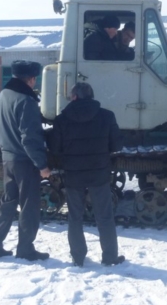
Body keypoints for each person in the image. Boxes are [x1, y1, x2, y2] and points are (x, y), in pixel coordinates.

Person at [48, 82, 125, 267]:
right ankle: (110, 257)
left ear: (74, 97)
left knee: (75, 217)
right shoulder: (107, 116)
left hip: (74, 175)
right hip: (99, 174)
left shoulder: (62, 119)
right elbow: (117, 146)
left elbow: (55, 149)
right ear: (91, 96)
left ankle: (78, 257)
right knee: (104, 216)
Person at [0, 60, 52, 261]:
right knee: (29, 206)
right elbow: (30, 137)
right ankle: (25, 248)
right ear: (31, 79)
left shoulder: (2, 97)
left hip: (7, 158)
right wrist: (42, 165)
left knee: (7, 203)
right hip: (25, 161)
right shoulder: (26, 101)